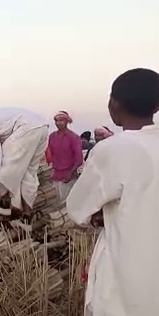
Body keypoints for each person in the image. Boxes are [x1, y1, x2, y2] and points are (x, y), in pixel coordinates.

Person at [67, 68, 159, 316]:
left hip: (127, 271)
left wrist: (97, 215)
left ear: (113, 103)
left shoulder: (114, 149)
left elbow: (78, 209)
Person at [47, 111, 83, 204]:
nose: (58, 123)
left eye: (61, 120)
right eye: (56, 121)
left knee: (67, 203)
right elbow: (50, 154)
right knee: (57, 202)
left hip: (68, 176)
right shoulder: (52, 136)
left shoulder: (73, 137)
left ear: (67, 122)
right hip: (56, 175)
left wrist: (70, 174)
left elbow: (79, 159)